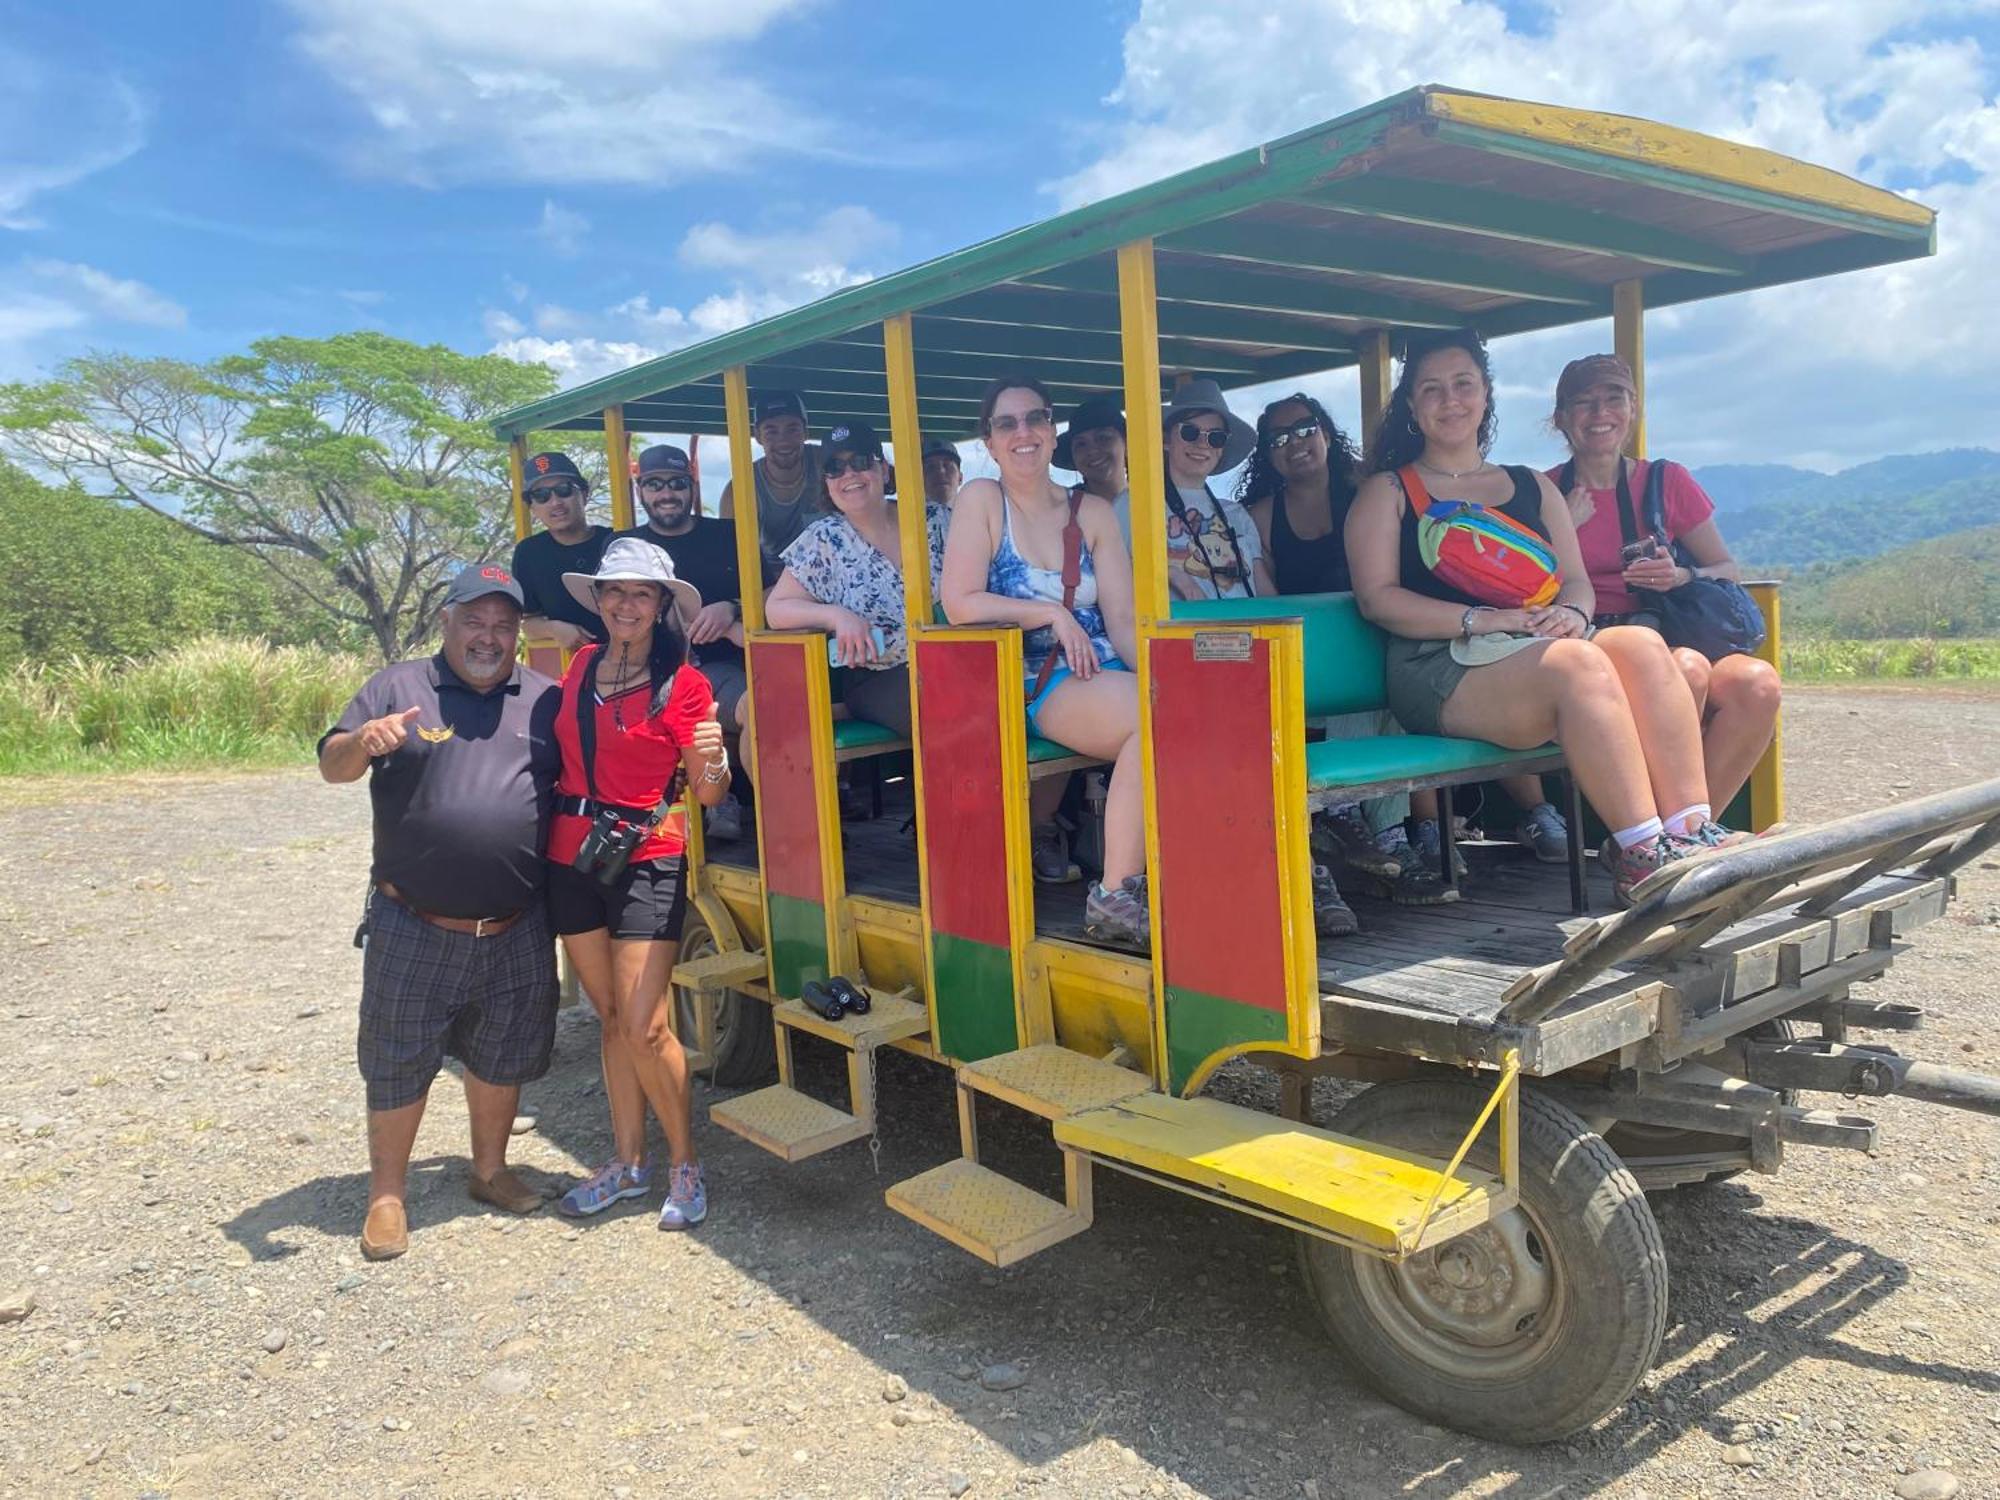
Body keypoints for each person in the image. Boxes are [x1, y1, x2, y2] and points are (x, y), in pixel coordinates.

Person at [1346, 329, 1745, 905]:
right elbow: (1378, 599)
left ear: (1486, 395)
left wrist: (1573, 614)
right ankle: (1640, 854)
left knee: (1637, 644)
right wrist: (1484, 619)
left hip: (1531, 649)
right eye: (1431, 389)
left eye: (1463, 384)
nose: (1449, 399)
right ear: (1412, 406)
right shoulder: (1388, 492)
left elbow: (1575, 579)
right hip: (1439, 663)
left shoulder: (1532, 486)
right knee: (1578, 667)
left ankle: (1689, 832)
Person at [318, 563, 562, 1261]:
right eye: (475, 621)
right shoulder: (397, 687)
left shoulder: (546, 698)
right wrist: (362, 743)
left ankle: (489, 1170)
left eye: (503, 624)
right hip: (413, 920)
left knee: (503, 1051)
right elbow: (332, 765)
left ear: (519, 632)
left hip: (516, 922)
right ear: (446, 622)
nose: (489, 636)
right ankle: (388, 1195)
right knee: (397, 1059)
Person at [546, 538, 730, 1230]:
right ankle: (628, 1164)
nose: (626, 604)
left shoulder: (684, 684)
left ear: (661, 607)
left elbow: (709, 793)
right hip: (572, 857)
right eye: (614, 591)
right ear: (597, 600)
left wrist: (715, 763)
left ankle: (684, 1163)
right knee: (613, 1020)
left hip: (647, 854)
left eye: (641, 594)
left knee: (648, 1024)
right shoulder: (582, 663)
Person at [940, 376, 1150, 950]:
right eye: (1006, 424)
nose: (1023, 432)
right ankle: (1114, 898)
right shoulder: (983, 500)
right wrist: (1051, 615)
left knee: (1187, 710)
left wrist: (1171, 679)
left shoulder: (1095, 511)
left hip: (1108, 672)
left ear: (1053, 432)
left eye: (1035, 419)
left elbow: (1125, 621)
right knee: (1152, 722)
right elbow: (960, 603)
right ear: (989, 441)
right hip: (1041, 679)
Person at [1236, 393, 1451, 919]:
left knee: (1393, 684)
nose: (1295, 444)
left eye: (1305, 429)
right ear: (1267, 454)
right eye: (1278, 439)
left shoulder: (1370, 495)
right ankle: (1376, 832)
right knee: (1366, 687)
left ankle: (1382, 836)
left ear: (1327, 434)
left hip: (1378, 652)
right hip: (1306, 664)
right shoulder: (1260, 517)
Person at [1548, 354, 1783, 813]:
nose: (1601, 415)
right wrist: (1561, 531)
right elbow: (1521, 586)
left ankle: (1692, 832)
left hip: (1669, 628)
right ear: (1561, 419)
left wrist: (1681, 575)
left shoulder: (1666, 481)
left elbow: (1724, 567)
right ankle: (1660, 832)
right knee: (1687, 671)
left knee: (1757, 685)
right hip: (1590, 641)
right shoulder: (1542, 493)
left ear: (1633, 409)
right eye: (1585, 402)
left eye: (1614, 399)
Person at [765, 421, 948, 736]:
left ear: (885, 470)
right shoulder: (823, 539)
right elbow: (777, 609)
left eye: (861, 462)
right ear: (826, 483)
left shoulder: (933, 519)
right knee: (945, 705)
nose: (849, 474)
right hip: (878, 676)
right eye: (835, 468)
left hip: (952, 662)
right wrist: (836, 616)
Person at [620, 442, 756, 842]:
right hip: (652, 670)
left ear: (692, 487)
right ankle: (716, 801)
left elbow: (771, 591)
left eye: (677, 483)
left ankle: (779, 816)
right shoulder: (627, 547)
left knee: (763, 705)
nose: (667, 494)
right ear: (640, 489)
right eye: (655, 484)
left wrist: (731, 608)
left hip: (719, 670)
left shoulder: (728, 535)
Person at [1156, 378, 1274, 600]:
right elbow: (1115, 572)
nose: (1202, 443)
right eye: (1190, 432)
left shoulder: (1236, 514)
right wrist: (1173, 575)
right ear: (1165, 439)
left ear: (1221, 450)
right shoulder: (1133, 505)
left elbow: (1263, 589)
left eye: (1215, 437)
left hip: (1247, 631)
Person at [510, 451, 612, 651]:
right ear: (532, 507)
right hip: (572, 669)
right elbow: (527, 623)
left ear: (584, 494)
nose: (555, 502)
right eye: (541, 496)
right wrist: (554, 629)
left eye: (564, 490)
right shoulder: (528, 553)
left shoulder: (614, 543)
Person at [719, 390, 823, 568]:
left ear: (806, 432)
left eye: (792, 429)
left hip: (834, 572)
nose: (783, 441)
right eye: (771, 432)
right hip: (772, 583)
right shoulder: (740, 489)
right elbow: (730, 555)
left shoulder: (829, 464)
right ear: (758, 436)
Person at [1057, 397, 1130, 514]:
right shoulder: (1061, 511)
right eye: (1081, 444)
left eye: (1103, 438)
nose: (1092, 450)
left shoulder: (1155, 499)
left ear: (1126, 443)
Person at [921, 438, 963, 509]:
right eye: (930, 467)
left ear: (960, 477)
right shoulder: (903, 515)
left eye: (947, 465)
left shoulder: (978, 512)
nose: (940, 471)